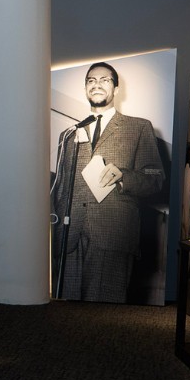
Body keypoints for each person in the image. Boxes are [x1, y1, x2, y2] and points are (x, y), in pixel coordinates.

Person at [53, 62, 165, 302]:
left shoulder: (138, 127)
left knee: (104, 316)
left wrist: (124, 175)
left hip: (112, 234)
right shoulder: (69, 134)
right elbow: (60, 186)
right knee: (63, 315)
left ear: (116, 89)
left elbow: (155, 179)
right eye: (91, 80)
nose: (97, 84)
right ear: (85, 89)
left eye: (105, 80)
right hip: (69, 236)